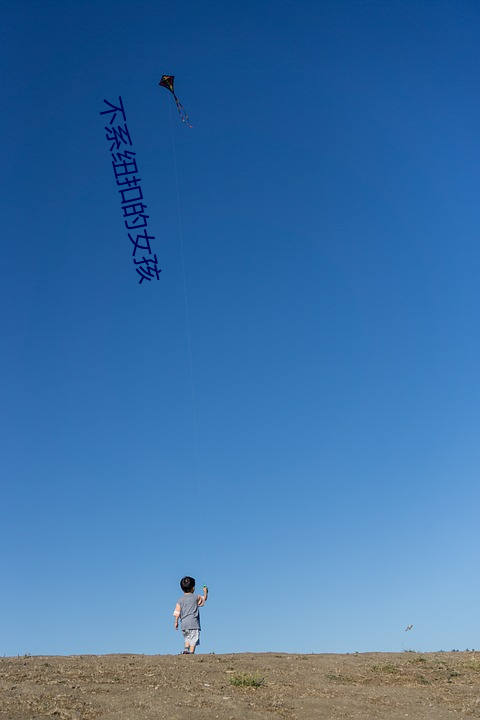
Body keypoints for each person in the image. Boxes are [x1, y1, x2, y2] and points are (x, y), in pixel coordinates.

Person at [173, 576, 208, 654]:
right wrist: (205, 591)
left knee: (187, 637)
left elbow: (177, 611)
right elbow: (204, 599)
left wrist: (176, 622)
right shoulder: (196, 597)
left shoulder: (180, 600)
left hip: (184, 624)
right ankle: (191, 653)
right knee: (193, 639)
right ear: (193, 588)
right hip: (193, 623)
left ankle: (186, 649)